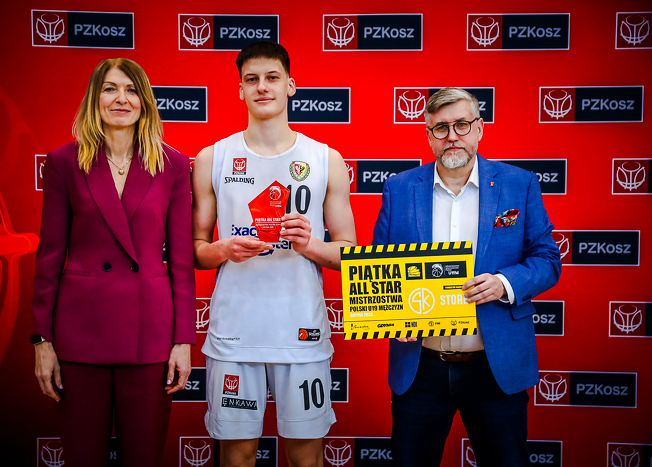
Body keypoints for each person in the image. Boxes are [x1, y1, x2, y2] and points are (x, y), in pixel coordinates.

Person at [372, 87, 562, 467]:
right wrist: (390, 315)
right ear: (428, 136)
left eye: (461, 124)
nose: (452, 136)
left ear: (479, 128)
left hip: (495, 364)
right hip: (420, 367)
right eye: (441, 128)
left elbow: (548, 260)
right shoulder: (399, 188)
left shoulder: (519, 184)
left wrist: (504, 283)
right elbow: (380, 268)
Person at [191, 41, 356, 467]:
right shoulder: (213, 158)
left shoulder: (325, 159)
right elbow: (197, 250)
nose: (261, 87)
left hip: (302, 335)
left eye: (271, 78)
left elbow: (348, 252)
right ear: (240, 90)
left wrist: (309, 244)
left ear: (290, 86)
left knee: (306, 458)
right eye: (251, 80)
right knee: (237, 456)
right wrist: (224, 248)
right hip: (234, 335)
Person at [31, 58, 196, 467]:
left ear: (145, 101)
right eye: (110, 88)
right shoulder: (64, 162)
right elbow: (49, 257)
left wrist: (182, 341)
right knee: (83, 457)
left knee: (143, 457)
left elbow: (180, 261)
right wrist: (42, 340)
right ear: (95, 98)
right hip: (79, 334)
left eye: (131, 89)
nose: (121, 98)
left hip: (150, 335)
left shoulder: (173, 165)